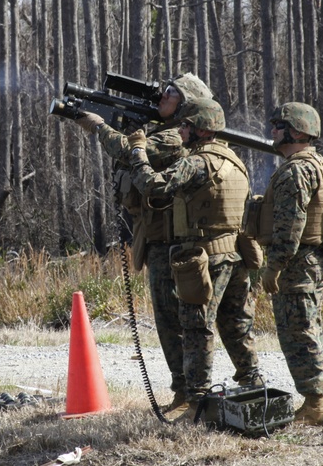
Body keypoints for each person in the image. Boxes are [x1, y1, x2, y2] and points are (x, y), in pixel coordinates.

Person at [73, 73, 212, 414]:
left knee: (176, 322)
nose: (163, 96)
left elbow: (129, 149)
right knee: (166, 322)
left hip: (170, 242)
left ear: (187, 105)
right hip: (157, 239)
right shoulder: (162, 131)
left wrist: (97, 126)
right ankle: (182, 393)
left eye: (171, 93)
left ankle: (191, 396)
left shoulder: (172, 137)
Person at [126, 97, 264, 422]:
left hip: (206, 259)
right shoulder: (235, 160)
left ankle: (197, 404)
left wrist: (137, 150)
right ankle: (254, 385)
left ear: (200, 130)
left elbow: (152, 186)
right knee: (235, 326)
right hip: (236, 256)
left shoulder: (198, 162)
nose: (181, 131)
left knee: (196, 328)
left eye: (185, 126)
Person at [256, 102, 323, 427]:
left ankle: (316, 404)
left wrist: (273, 267)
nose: (273, 130)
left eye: (279, 125)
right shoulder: (317, 166)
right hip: (309, 260)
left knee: (298, 331)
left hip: (297, 263)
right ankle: (315, 399)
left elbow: (291, 224)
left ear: (298, 131)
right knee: (306, 329)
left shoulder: (296, 170)